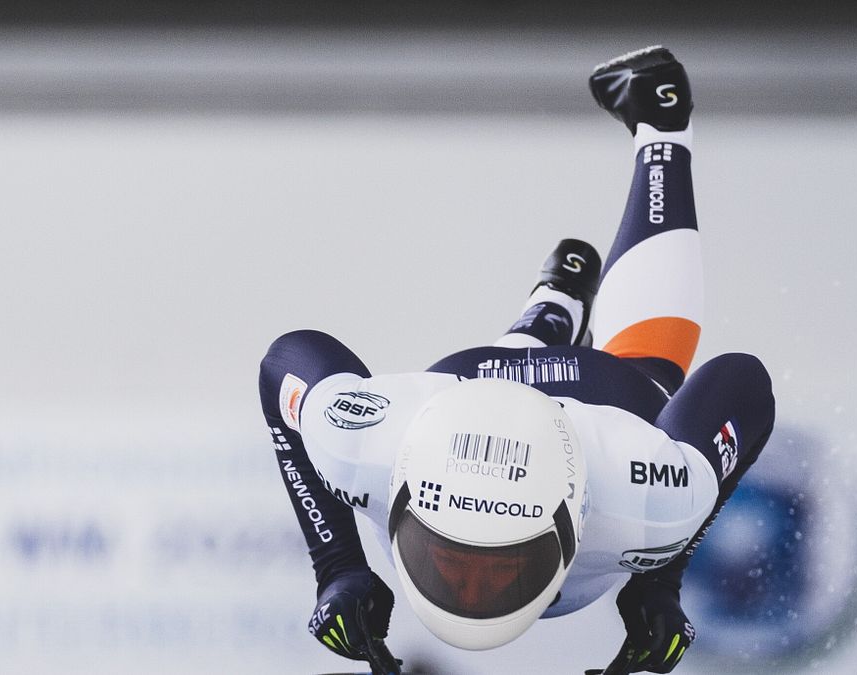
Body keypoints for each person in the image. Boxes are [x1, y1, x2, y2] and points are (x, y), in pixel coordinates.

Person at [258, 46, 776, 674]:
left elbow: (286, 362)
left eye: (501, 570)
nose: (471, 594)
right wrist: (660, 579)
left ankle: (564, 288)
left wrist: (340, 568)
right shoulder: (373, 444)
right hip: (471, 388)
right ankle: (568, 285)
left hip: (525, 392)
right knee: (647, 380)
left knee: (642, 371)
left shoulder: (645, 487)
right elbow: (743, 382)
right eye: (451, 563)